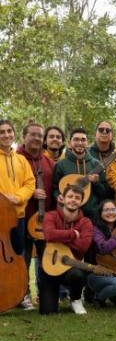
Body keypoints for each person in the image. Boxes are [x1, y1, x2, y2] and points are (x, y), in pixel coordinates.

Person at [16, 121, 56, 310]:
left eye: (40, 136)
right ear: (24, 137)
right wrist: (30, 192)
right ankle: (22, 296)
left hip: (44, 220)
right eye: (33, 135)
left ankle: (44, 296)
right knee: (22, 259)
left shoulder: (48, 161)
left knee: (44, 260)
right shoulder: (16, 158)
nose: (37, 138)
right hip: (22, 217)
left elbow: (55, 187)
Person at [40, 184, 92, 315]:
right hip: (49, 266)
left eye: (77, 198)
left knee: (78, 274)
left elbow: (83, 246)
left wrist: (59, 239)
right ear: (62, 199)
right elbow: (49, 235)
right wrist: (73, 234)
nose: (73, 200)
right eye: (70, 196)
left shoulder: (86, 222)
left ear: (81, 201)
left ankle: (75, 299)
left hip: (71, 266)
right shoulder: (50, 216)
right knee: (48, 312)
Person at [53, 128, 108, 223]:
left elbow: (104, 192)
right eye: (76, 139)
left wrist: (96, 182)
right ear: (70, 142)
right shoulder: (61, 165)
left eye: (83, 140)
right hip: (68, 213)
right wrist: (57, 196)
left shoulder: (96, 164)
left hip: (92, 214)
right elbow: (54, 188)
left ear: (87, 143)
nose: (80, 143)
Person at [0, 120, 35, 259]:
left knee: (15, 257)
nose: (6, 135)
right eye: (2, 132)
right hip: (0, 216)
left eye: (9, 131)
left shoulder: (21, 160)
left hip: (18, 218)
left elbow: (30, 183)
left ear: (14, 134)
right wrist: (4, 199)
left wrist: (17, 198)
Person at [89, 120, 116, 203]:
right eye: (101, 130)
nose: (104, 132)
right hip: (92, 201)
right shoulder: (86, 154)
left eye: (108, 130)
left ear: (112, 135)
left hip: (114, 201)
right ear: (95, 133)